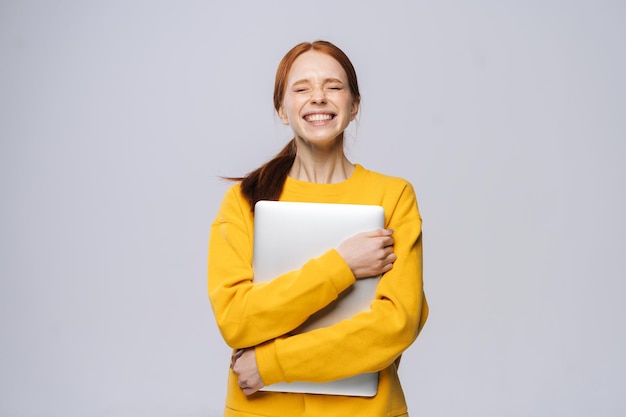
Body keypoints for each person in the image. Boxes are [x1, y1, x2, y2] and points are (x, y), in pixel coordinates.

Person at [208, 40, 428, 417]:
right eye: (302, 88)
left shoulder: (393, 196)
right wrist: (342, 265)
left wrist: (271, 363)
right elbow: (237, 319)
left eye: (333, 86)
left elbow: (396, 325)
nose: (319, 98)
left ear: (354, 105)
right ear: (282, 109)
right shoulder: (244, 201)